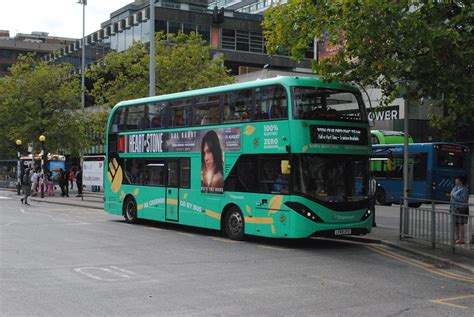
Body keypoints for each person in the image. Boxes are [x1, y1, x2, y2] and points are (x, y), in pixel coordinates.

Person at [450, 175, 469, 244]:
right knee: (456, 224)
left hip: (462, 209)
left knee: (461, 224)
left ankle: (461, 239)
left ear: (461, 181)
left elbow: (464, 199)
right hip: (454, 208)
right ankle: (457, 238)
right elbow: (451, 197)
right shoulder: (455, 188)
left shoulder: (464, 189)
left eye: (457, 180)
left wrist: (455, 197)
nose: (455, 181)